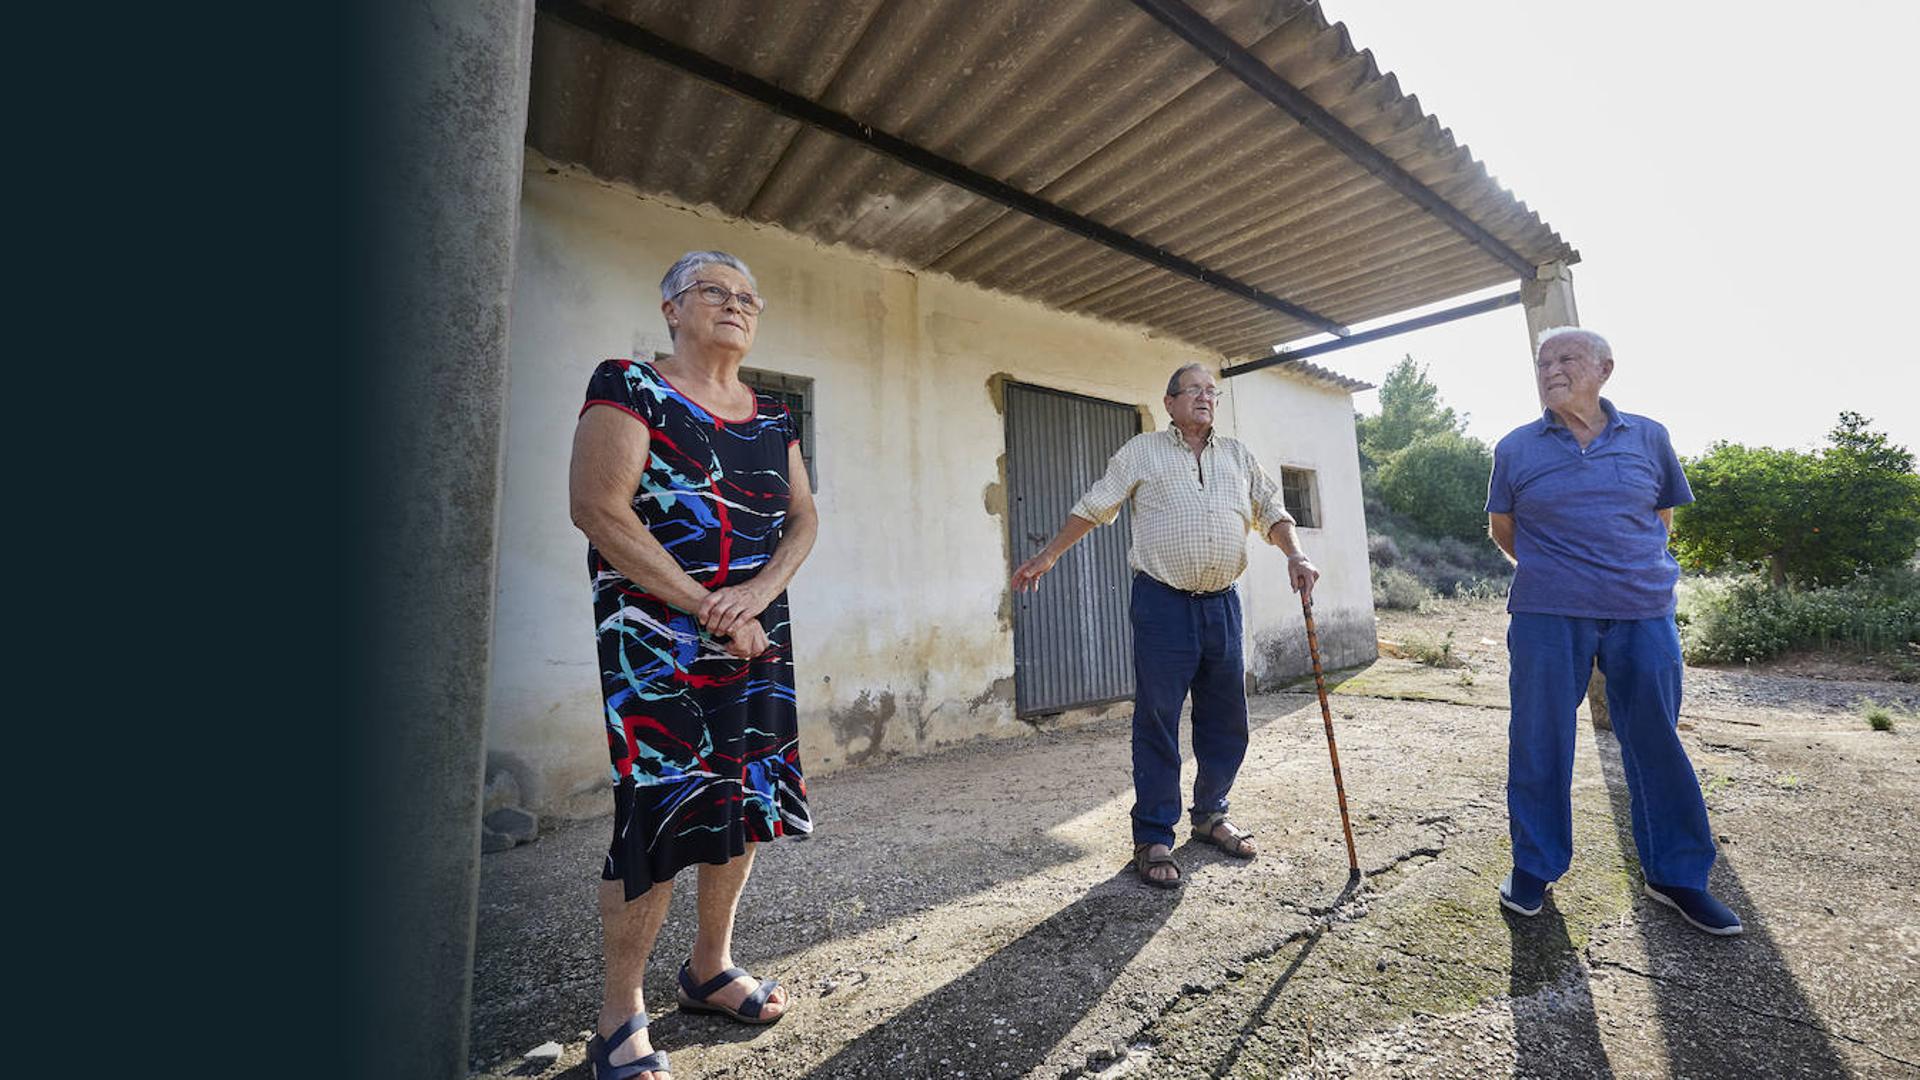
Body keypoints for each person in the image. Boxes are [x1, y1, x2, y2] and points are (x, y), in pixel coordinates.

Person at [569, 250, 820, 1079]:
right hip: (655, 644)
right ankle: (618, 1018)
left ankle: (709, 969)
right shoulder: (629, 386)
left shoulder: (775, 417)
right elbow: (598, 508)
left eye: (750, 297)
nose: (737, 305)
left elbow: (803, 523)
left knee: (743, 800)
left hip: (754, 636)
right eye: (716, 290)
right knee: (659, 815)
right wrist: (707, 604)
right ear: (672, 307)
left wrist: (752, 597)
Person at [1012, 363, 1320, 889]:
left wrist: (1296, 553)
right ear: (1170, 402)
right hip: (1162, 603)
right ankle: (1154, 835)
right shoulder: (1142, 451)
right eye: (1194, 390)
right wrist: (1048, 556)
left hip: (1222, 603)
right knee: (1157, 721)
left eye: (1211, 392)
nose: (1205, 398)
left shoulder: (1238, 455)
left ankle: (1211, 816)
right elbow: (1096, 505)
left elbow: (1271, 508)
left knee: (1227, 718)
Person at [1487, 326, 1740, 936]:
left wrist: (1619, 572)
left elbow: (1660, 519)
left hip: (1642, 612)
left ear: (1605, 369)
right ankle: (1534, 868)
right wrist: (1561, 574)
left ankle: (1675, 875)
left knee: (1655, 739)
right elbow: (1504, 529)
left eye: (1566, 359)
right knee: (1540, 739)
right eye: (1543, 361)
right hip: (1548, 613)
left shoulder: (1650, 438)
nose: (1550, 369)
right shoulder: (1516, 448)